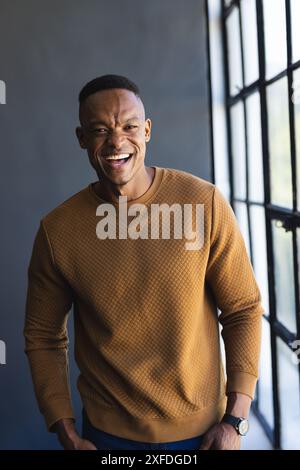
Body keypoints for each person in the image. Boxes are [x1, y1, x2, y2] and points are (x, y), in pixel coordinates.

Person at [24, 74, 264, 451]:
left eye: (129, 126)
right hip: (104, 436)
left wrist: (236, 419)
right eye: (100, 130)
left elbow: (243, 309)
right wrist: (65, 430)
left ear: (147, 130)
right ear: (81, 138)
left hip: (205, 434)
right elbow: (42, 336)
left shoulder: (203, 203)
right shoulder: (58, 231)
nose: (116, 141)